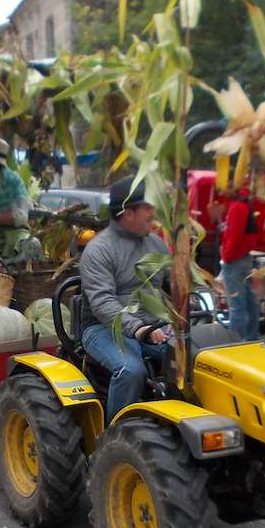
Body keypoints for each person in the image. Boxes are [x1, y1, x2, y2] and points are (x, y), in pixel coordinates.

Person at [79, 175, 170, 420]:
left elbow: (173, 286)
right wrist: (140, 328)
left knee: (197, 360)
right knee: (130, 370)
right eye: (147, 207)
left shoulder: (157, 245)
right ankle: (117, 438)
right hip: (104, 327)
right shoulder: (99, 250)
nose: (153, 212)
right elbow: (102, 303)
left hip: (154, 326)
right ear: (128, 213)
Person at [214, 187, 260, 341]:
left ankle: (234, 341)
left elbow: (234, 236)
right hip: (242, 257)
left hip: (235, 259)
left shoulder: (237, 207)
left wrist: (226, 258)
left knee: (236, 304)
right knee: (247, 301)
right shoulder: (242, 205)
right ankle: (250, 336)